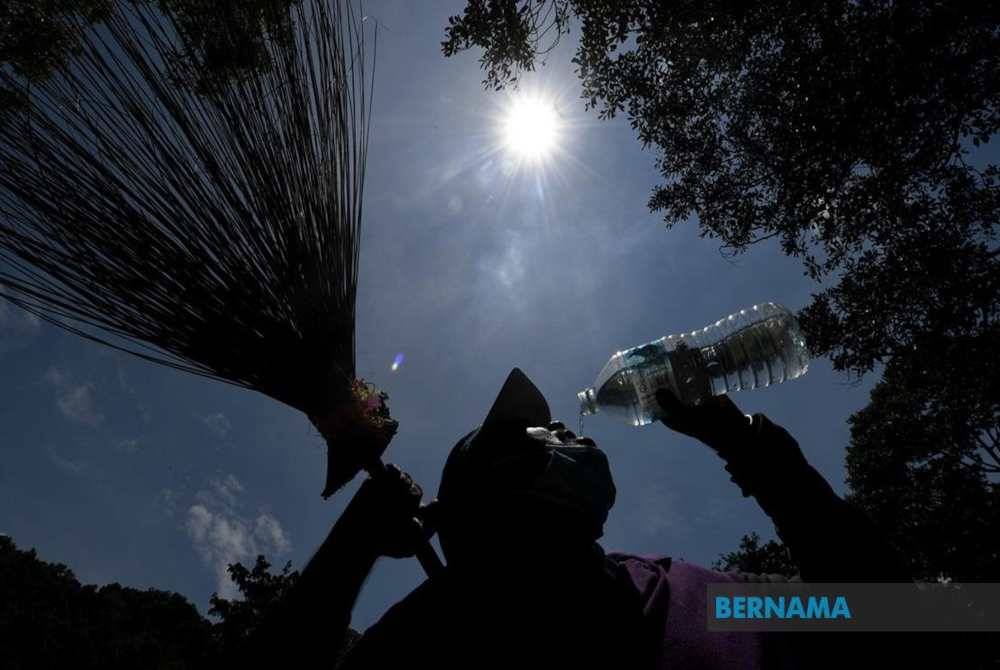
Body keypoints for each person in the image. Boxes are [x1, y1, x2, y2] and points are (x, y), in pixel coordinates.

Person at [239, 368, 916, 669]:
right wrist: (348, 548)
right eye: (537, 432)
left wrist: (745, 442)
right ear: (497, 487)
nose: (564, 427)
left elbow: (905, 619)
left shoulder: (697, 597)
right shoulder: (442, 637)